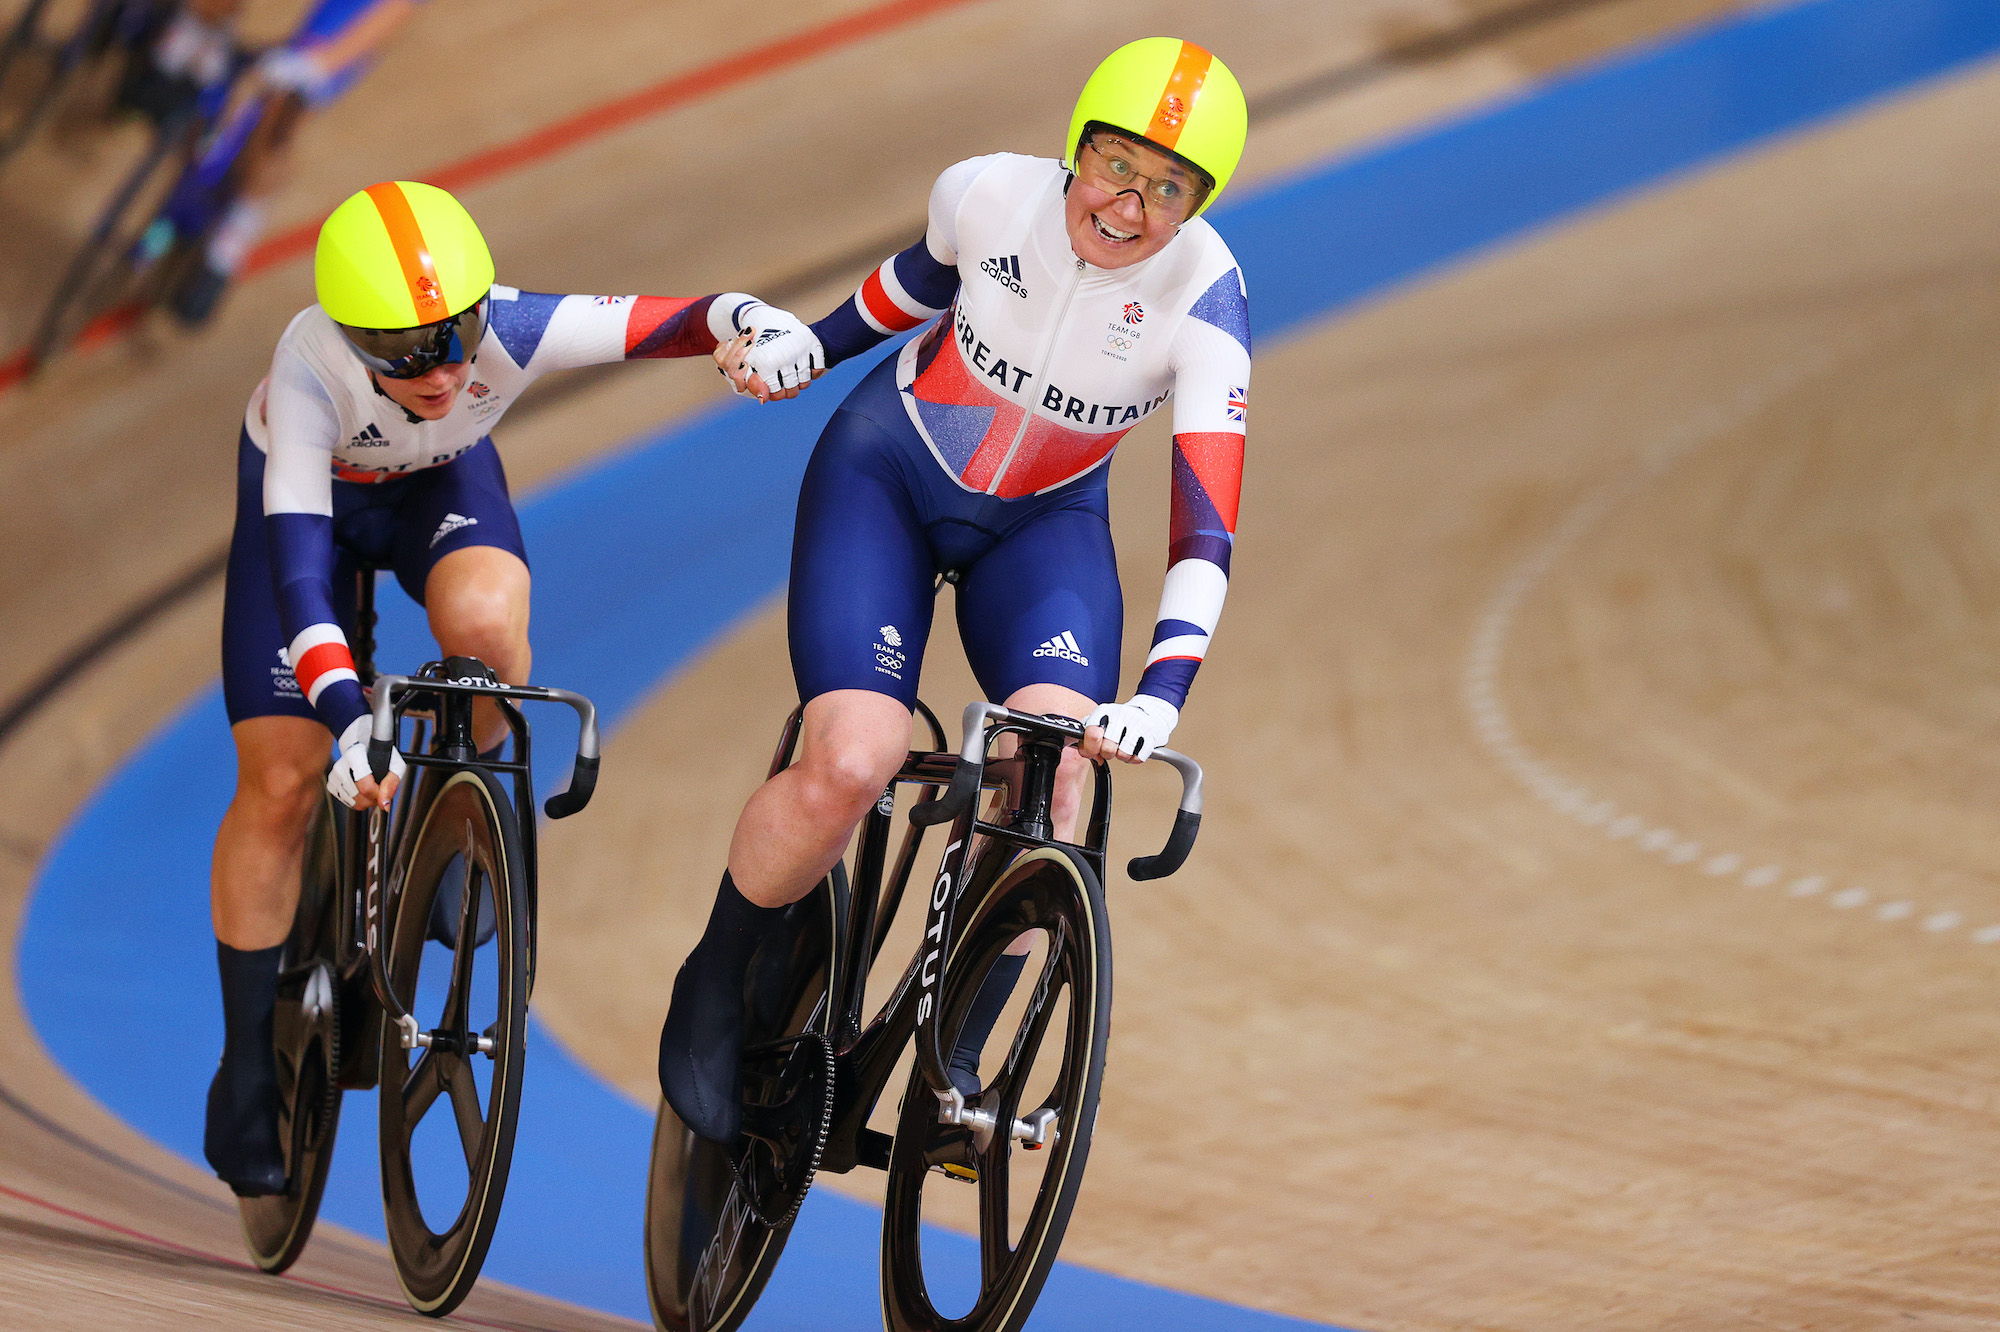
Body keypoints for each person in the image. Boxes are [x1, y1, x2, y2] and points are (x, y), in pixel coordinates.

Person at [660, 37, 1251, 1143]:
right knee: (852, 757)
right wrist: (810, 350)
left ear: (1197, 204)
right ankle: (717, 978)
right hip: (887, 472)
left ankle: (955, 1062)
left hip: (1044, 528)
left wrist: (1160, 694)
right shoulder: (986, 193)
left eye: (1166, 189)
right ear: (1075, 148)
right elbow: (913, 285)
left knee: (1056, 783)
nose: (1128, 206)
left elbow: (1203, 528)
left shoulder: (1206, 307)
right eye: (1116, 166)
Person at [205, 179, 817, 1195]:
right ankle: (241, 1064)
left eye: (456, 340)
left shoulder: (513, 329)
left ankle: (468, 796)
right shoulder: (308, 377)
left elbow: (672, 320)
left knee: (488, 624)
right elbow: (303, 581)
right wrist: (350, 719)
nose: (441, 371)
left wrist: (751, 321)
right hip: (313, 518)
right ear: (353, 341)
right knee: (282, 778)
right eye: (404, 356)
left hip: (436, 489)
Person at [166, 0, 428, 324]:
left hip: (335, 29)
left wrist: (320, 64)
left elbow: (397, 9)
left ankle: (230, 243)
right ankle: (181, 47)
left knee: (285, 113)